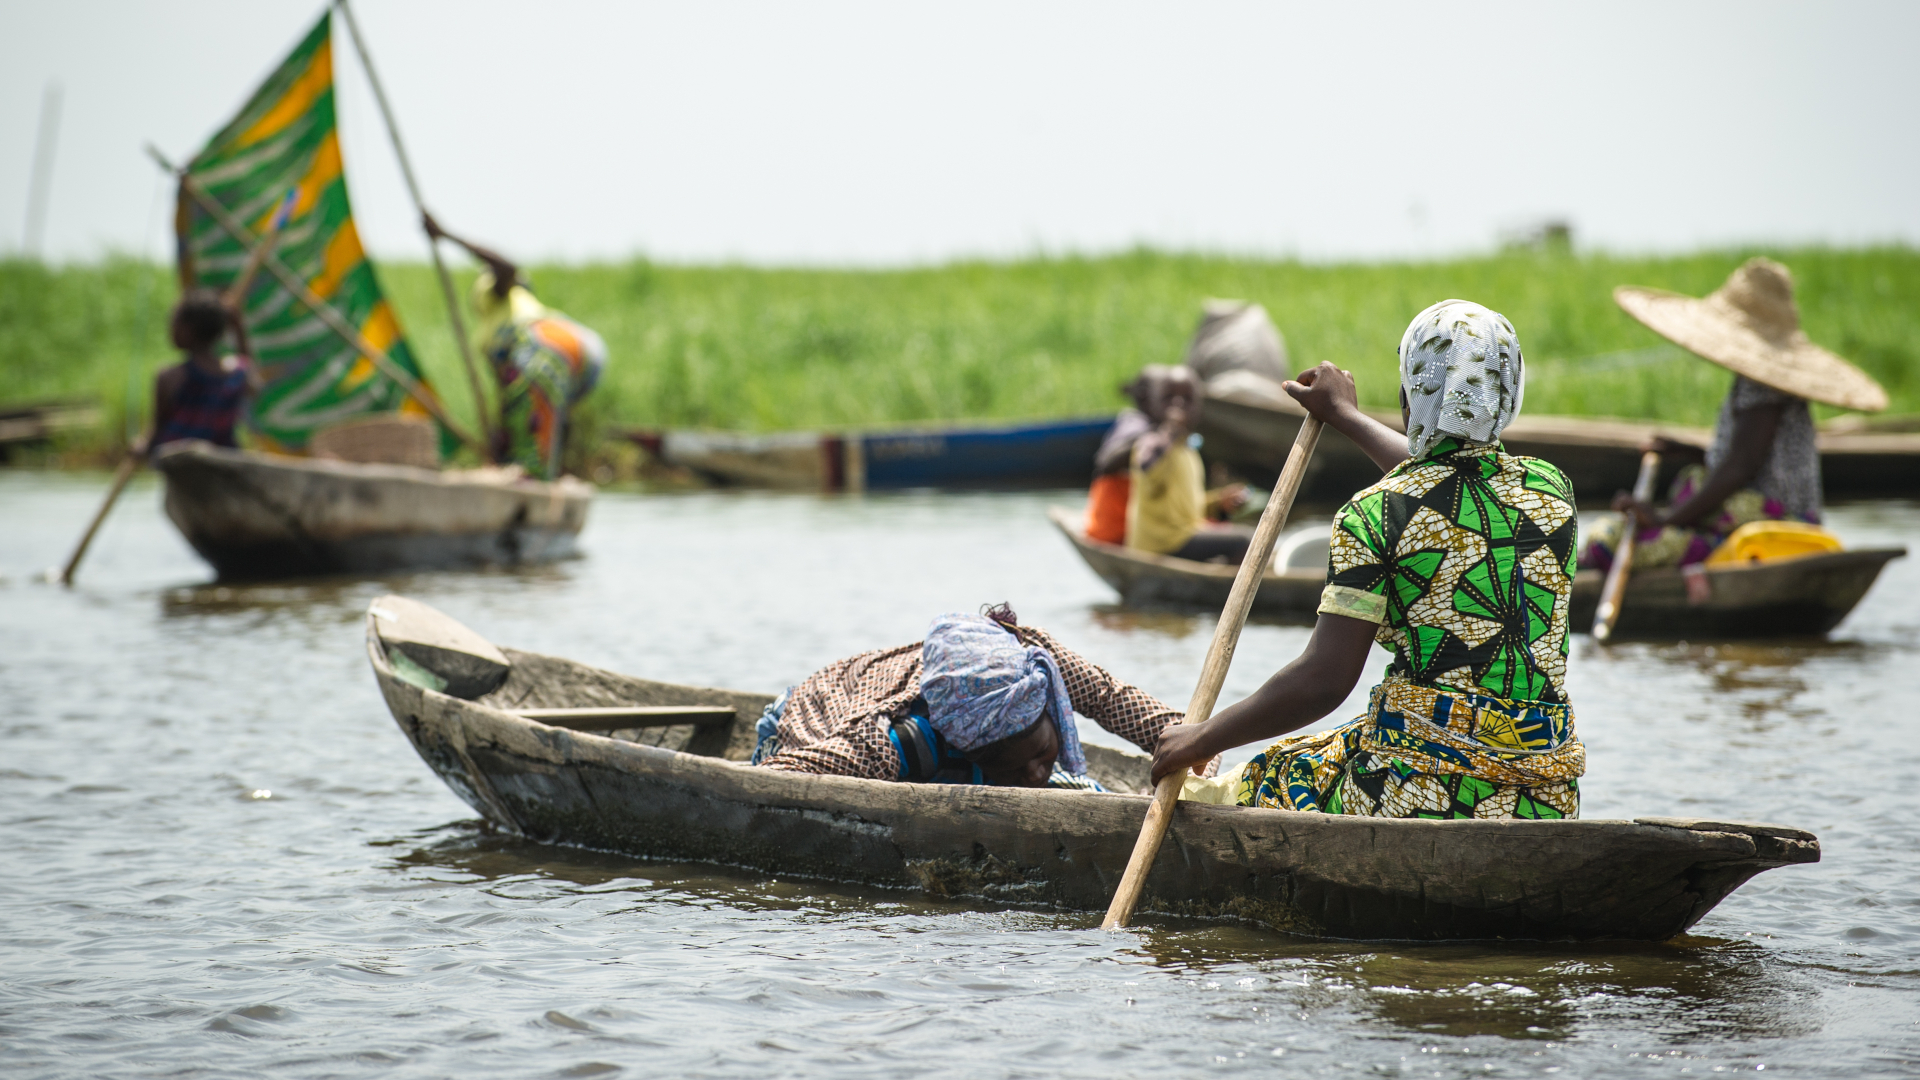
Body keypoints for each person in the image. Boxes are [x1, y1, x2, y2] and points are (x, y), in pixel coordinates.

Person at [1154, 300, 1587, 821]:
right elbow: (1445, 487)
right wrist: (1344, 417)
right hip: (1546, 790)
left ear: (1410, 397)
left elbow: (1325, 682)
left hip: (1419, 788)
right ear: (1508, 393)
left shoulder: (1374, 513)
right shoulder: (1551, 491)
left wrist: (1202, 738)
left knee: (1271, 775)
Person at [1580, 258, 1888, 571]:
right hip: (1772, 522)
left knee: (1607, 541)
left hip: (1774, 531)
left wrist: (1663, 519)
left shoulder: (1766, 385)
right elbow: (1749, 460)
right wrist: (1691, 452)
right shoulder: (1760, 383)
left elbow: (1741, 467)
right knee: (1691, 482)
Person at [752, 605, 1208, 790]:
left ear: (1049, 712)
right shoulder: (887, 746)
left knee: (1088, 791)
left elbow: (1112, 699)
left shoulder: (1033, 665)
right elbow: (781, 777)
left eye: (1042, 750)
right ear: (968, 746)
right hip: (804, 722)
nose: (1034, 770)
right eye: (1011, 764)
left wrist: (1197, 743)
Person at [424, 213, 607, 478]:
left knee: (525, 454)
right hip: (584, 351)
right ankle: (546, 479)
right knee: (532, 427)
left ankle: (532, 485)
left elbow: (507, 268)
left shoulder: (499, 291)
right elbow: (508, 395)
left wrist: (447, 236)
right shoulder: (513, 312)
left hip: (545, 346)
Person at [1122, 365, 1251, 562]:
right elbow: (1146, 464)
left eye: (1187, 399)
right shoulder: (1150, 443)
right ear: (1155, 404)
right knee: (1244, 540)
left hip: (1182, 536)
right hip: (1159, 546)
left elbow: (1189, 510)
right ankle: (1234, 591)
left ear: (1199, 407)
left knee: (1244, 536)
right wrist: (1170, 431)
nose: (1178, 405)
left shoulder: (1188, 450)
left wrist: (1219, 502)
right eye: (1169, 398)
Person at [142, 288, 260, 455]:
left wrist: (143, 447)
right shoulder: (236, 373)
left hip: (179, 463)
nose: (170, 327)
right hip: (223, 460)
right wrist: (239, 330)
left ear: (188, 329)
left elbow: (157, 432)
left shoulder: (169, 377)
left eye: (175, 322)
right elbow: (253, 382)